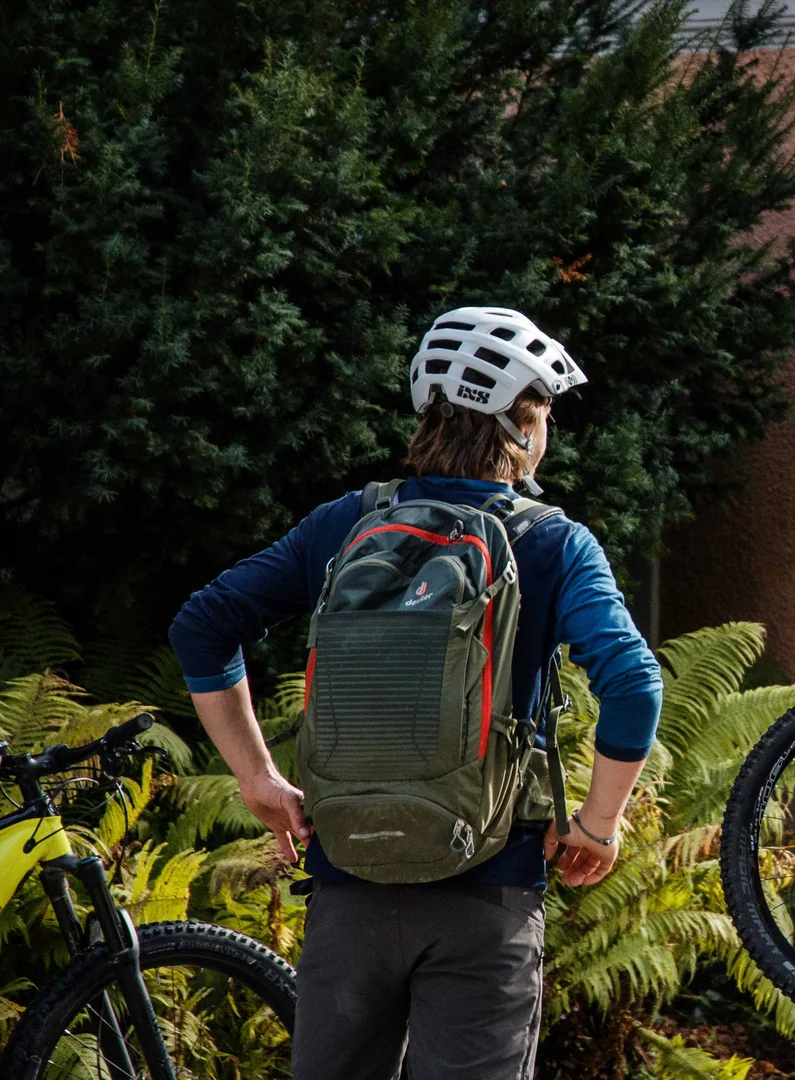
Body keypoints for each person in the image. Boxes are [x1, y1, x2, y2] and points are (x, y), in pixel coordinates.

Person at [169, 307, 663, 1080]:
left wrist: (257, 778)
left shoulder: (345, 523)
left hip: (348, 883)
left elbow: (203, 626)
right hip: (487, 892)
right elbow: (633, 684)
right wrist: (598, 825)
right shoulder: (552, 541)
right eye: (545, 413)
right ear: (520, 425)